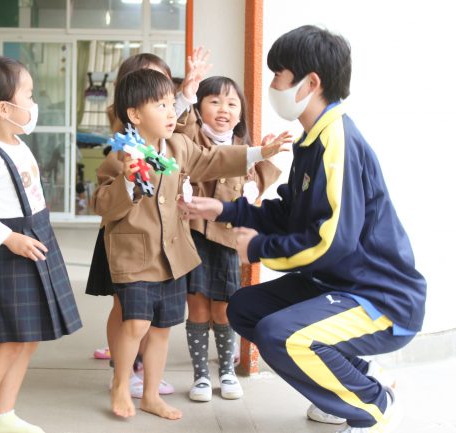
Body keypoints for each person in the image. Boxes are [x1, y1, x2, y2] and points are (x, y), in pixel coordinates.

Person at [178, 25, 427, 433]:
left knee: (282, 334)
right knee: (245, 309)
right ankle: (360, 381)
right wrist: (225, 209)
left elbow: (332, 241)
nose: (273, 84)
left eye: (279, 74)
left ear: (311, 83)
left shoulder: (338, 142)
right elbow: (288, 214)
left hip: (380, 300)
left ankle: (375, 407)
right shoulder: (314, 139)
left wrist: (257, 249)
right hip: (337, 285)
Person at [93, 68, 286, 420]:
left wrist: (260, 153)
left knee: (162, 328)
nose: (171, 113)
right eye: (161, 106)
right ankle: (121, 384)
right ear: (135, 114)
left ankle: (150, 395)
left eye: (173, 104)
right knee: (135, 324)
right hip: (134, 256)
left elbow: (214, 160)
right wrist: (127, 181)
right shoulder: (120, 156)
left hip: (173, 256)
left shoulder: (179, 146)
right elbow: (101, 204)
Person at [0, 55, 82, 433]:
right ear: (4, 108)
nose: (34, 103)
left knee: (28, 339)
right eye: (29, 94)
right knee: (9, 341)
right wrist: (8, 238)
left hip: (34, 242)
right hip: (9, 253)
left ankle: (3, 413)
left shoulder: (17, 145)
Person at [86, 49, 211, 398]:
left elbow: (178, 131)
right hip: (124, 232)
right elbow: (140, 144)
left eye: (165, 82)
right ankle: (123, 372)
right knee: (125, 307)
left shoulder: (171, 122)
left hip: (160, 231)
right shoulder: (125, 129)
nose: (167, 104)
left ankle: (141, 374)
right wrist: (183, 98)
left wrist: (187, 95)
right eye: (151, 85)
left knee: (152, 318)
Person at [177, 76, 290, 402]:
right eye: (214, 101)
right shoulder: (191, 137)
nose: (223, 109)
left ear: (241, 113)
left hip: (226, 239)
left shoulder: (246, 148)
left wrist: (265, 156)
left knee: (224, 308)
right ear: (199, 108)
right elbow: (180, 129)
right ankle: (201, 376)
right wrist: (186, 95)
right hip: (195, 234)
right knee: (197, 306)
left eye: (231, 103)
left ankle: (226, 370)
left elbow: (256, 190)